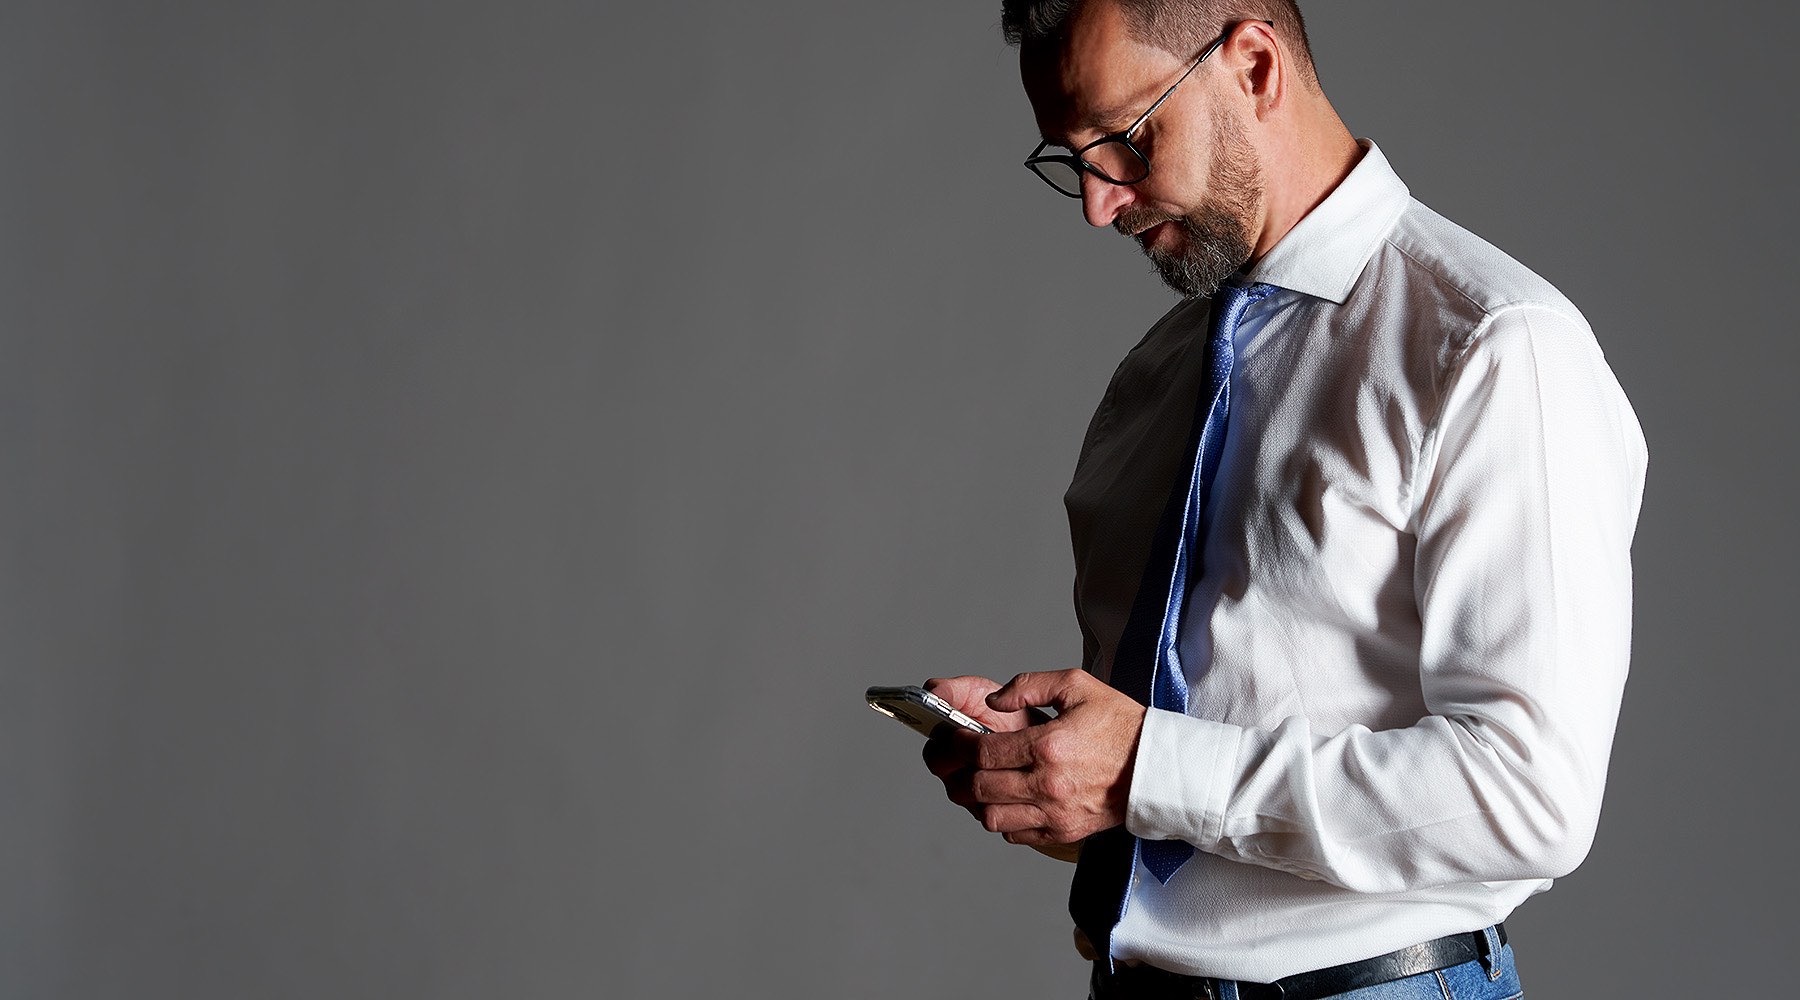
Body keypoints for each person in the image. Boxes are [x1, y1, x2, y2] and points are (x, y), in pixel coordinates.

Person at [919, 2, 1648, 998]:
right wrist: (1057, 770)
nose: (1098, 202)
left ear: (1255, 65)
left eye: (1125, 139)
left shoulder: (1494, 347)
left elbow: (1529, 798)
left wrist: (1144, 766)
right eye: (1072, 159)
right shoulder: (1155, 378)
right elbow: (1198, 781)